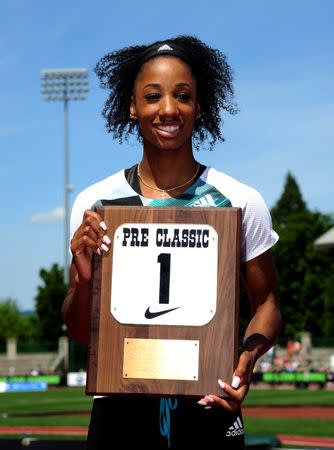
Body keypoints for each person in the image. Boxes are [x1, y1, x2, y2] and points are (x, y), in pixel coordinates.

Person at [62, 35, 282, 449]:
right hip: (120, 413)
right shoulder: (96, 205)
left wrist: (246, 360)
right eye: (152, 96)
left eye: (183, 96)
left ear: (199, 106)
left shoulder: (238, 200)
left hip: (209, 405)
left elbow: (267, 304)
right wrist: (84, 278)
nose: (168, 109)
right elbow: (80, 333)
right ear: (132, 106)